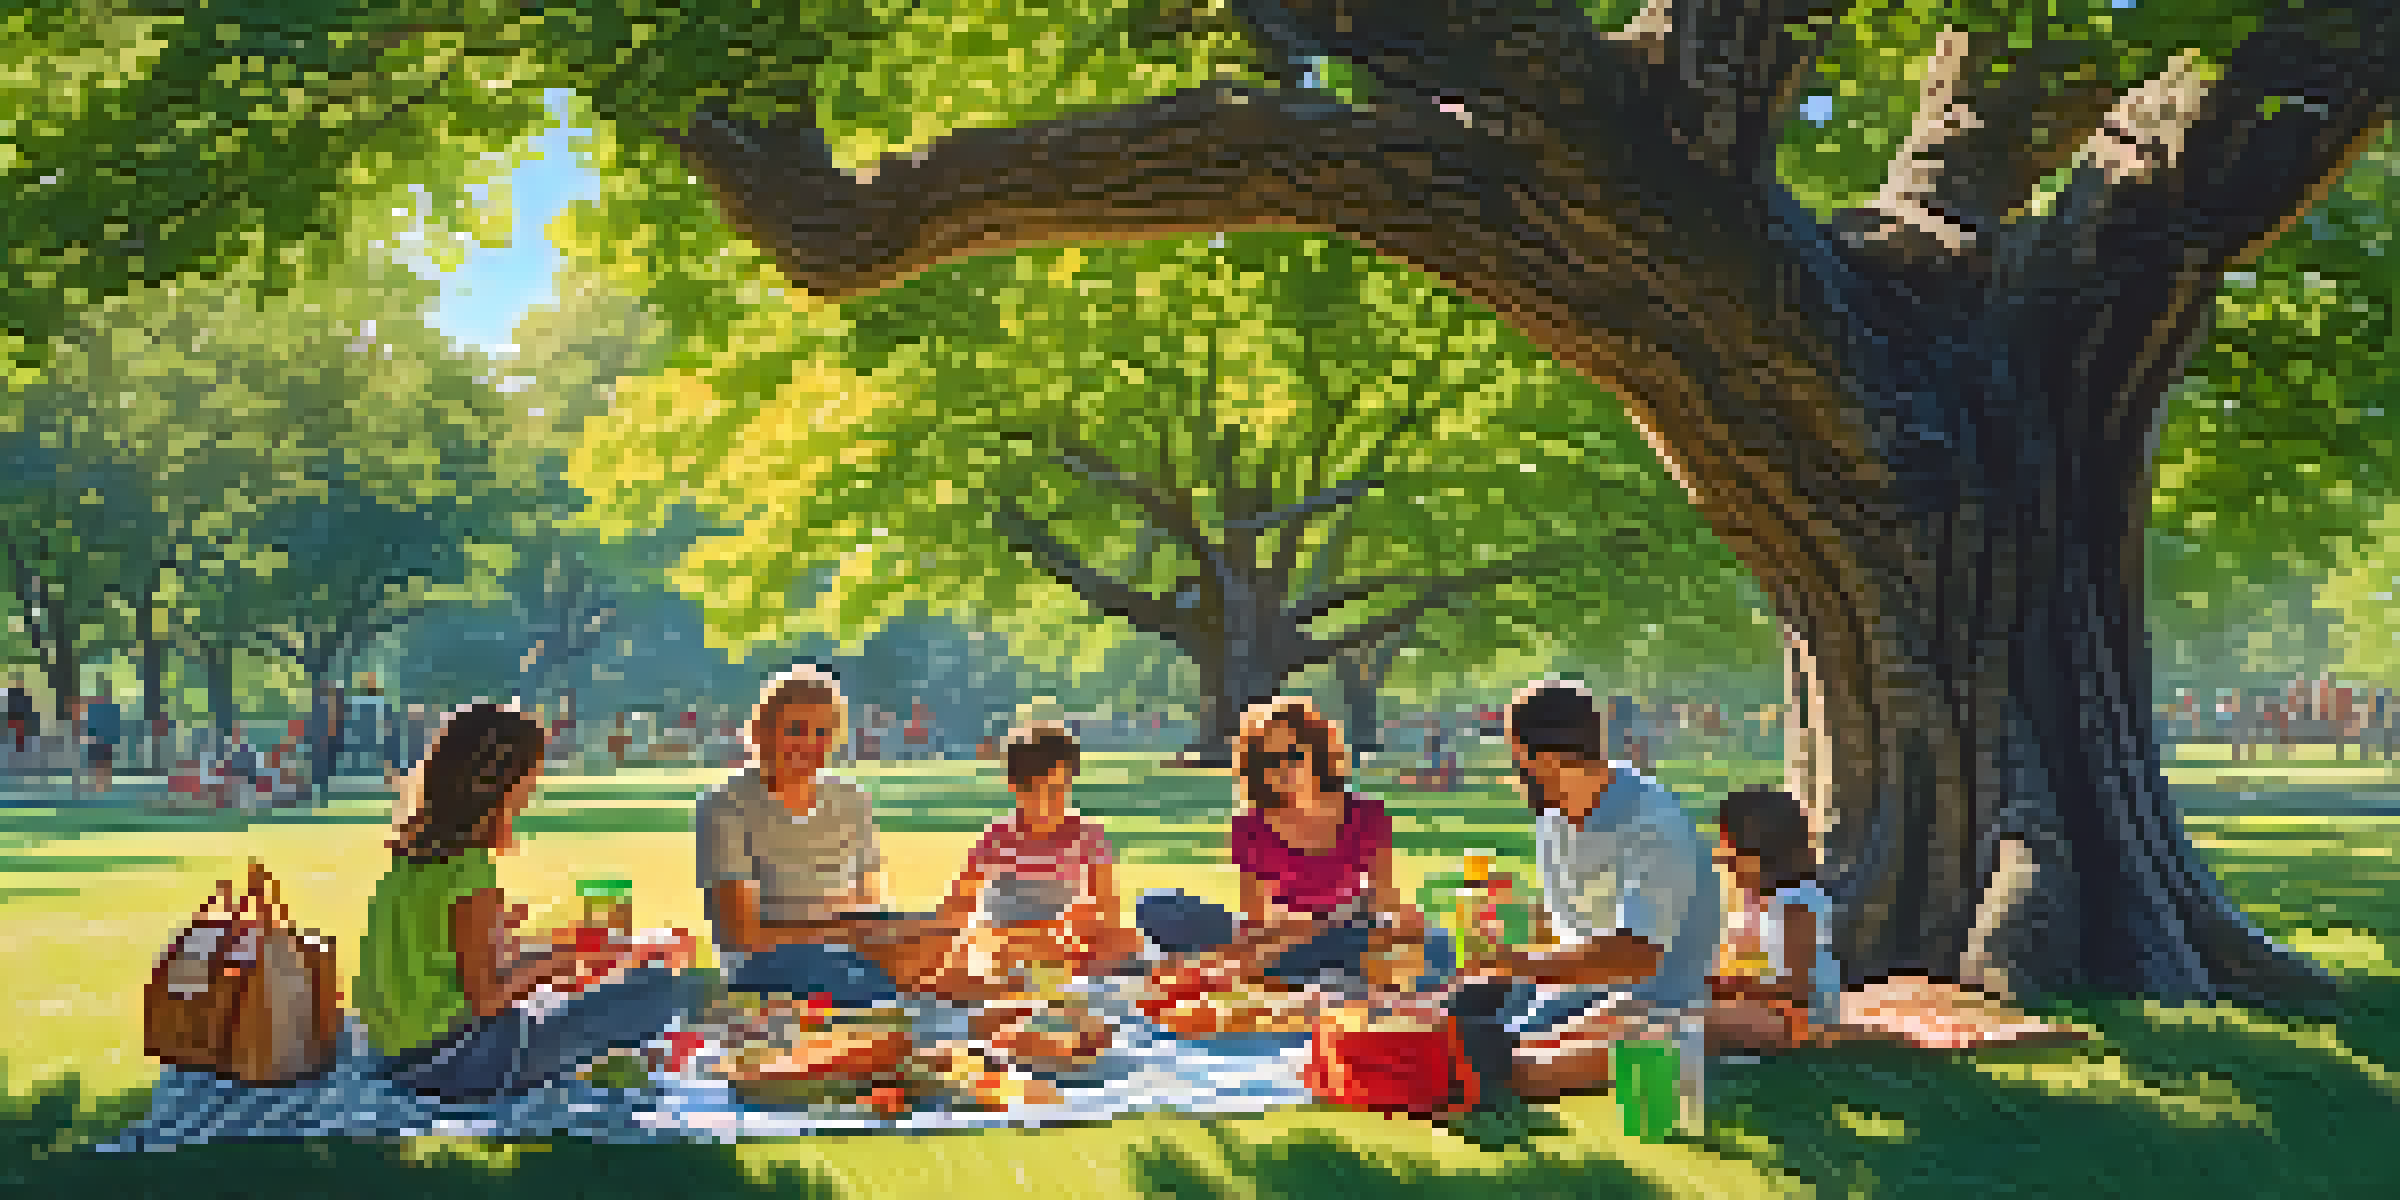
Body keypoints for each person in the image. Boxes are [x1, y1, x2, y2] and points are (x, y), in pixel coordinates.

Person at [357, 704, 701, 1103]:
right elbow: (487, 998)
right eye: (529, 778)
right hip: (457, 1063)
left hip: (397, 1057)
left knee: (569, 995)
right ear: (499, 784)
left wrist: (550, 952)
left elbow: (456, 969)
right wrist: (563, 958)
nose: (531, 792)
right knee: (657, 988)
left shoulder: (409, 864)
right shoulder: (468, 870)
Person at [1443, 679, 1721, 1122]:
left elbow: (1635, 958)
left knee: (1506, 1057)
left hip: (1646, 999)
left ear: (1545, 759)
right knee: (1456, 1007)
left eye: (1516, 757)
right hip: (1569, 989)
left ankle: (1497, 1060)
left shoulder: (1653, 825)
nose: (1514, 771)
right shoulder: (1555, 814)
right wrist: (1503, 946)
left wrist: (1517, 964)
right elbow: (1569, 925)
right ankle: (1482, 1050)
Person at [1134, 697, 1447, 993]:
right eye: (1270, 759)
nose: (1283, 767)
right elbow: (1257, 921)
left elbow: (1384, 902)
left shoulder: (1367, 814)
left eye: (1294, 755)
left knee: (1432, 942)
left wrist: (1399, 923)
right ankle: (1297, 972)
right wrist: (1287, 934)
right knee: (1157, 905)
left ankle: (1261, 969)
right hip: (1283, 935)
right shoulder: (1250, 824)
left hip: (1346, 932)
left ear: (1319, 753)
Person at [696, 667, 948, 1005]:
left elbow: (870, 903)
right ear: (761, 731)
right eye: (795, 730)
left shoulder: (850, 798)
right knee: (879, 987)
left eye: (822, 732)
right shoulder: (726, 804)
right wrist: (842, 931)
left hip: (848, 953)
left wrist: (903, 935)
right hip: (769, 965)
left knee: (946, 956)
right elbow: (742, 935)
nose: (809, 744)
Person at [919, 723, 1141, 1001]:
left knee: (1127, 941)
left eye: (1058, 790)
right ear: (1014, 787)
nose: (1047, 804)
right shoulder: (998, 837)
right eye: (1035, 792)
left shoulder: (1087, 836)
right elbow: (957, 905)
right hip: (1005, 948)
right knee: (968, 949)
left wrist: (1075, 928)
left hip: (1064, 949)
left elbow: (1107, 912)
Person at [1704, 787, 1841, 1053]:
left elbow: (1798, 990)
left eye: (1730, 854)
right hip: (1776, 1012)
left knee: (1698, 1019)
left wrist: (1737, 985)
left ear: (1762, 854)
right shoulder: (1766, 900)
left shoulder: (1795, 904)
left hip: (1800, 1020)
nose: (1723, 862)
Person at [83, 689, 122, 794]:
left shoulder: (95, 708)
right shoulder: (112, 708)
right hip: (103, 740)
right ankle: (103, 786)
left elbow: (91, 725)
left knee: (101, 764)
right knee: (103, 764)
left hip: (100, 740)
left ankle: (101, 786)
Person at [5, 675, 34, 762]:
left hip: (20, 718)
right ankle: (20, 751)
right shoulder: (13, 694)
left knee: (20, 735)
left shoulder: (19, 694)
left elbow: (27, 706)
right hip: (17, 717)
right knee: (18, 735)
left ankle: (20, 751)